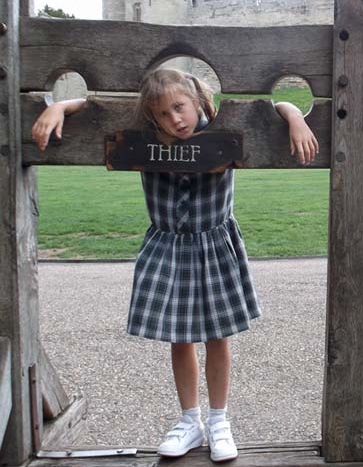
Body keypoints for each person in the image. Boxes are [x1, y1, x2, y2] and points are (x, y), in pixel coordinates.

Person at [31, 68, 320, 462]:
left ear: (198, 100)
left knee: (218, 335)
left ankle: (219, 421)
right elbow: (97, 108)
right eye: (162, 115)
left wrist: (294, 117)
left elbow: (271, 105)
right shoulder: (144, 138)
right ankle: (190, 421)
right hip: (168, 243)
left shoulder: (221, 128)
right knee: (179, 336)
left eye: (179, 108)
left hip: (214, 241)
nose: (174, 120)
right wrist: (59, 106)